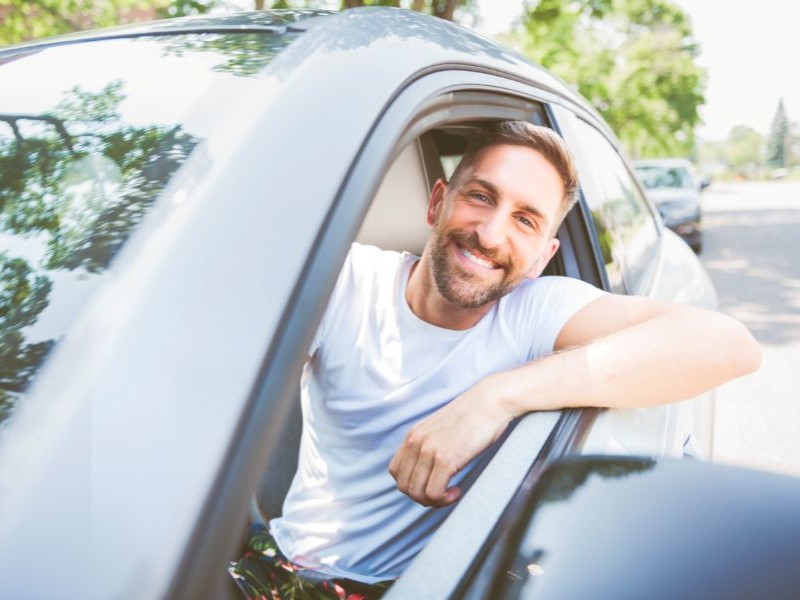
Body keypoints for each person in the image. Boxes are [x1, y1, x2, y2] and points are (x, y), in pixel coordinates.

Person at [229, 121, 761, 599]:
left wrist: (494, 398)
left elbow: (729, 346)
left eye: (526, 220)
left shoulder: (537, 310)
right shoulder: (346, 279)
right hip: (282, 565)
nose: (490, 233)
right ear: (437, 201)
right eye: (481, 196)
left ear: (542, 258)